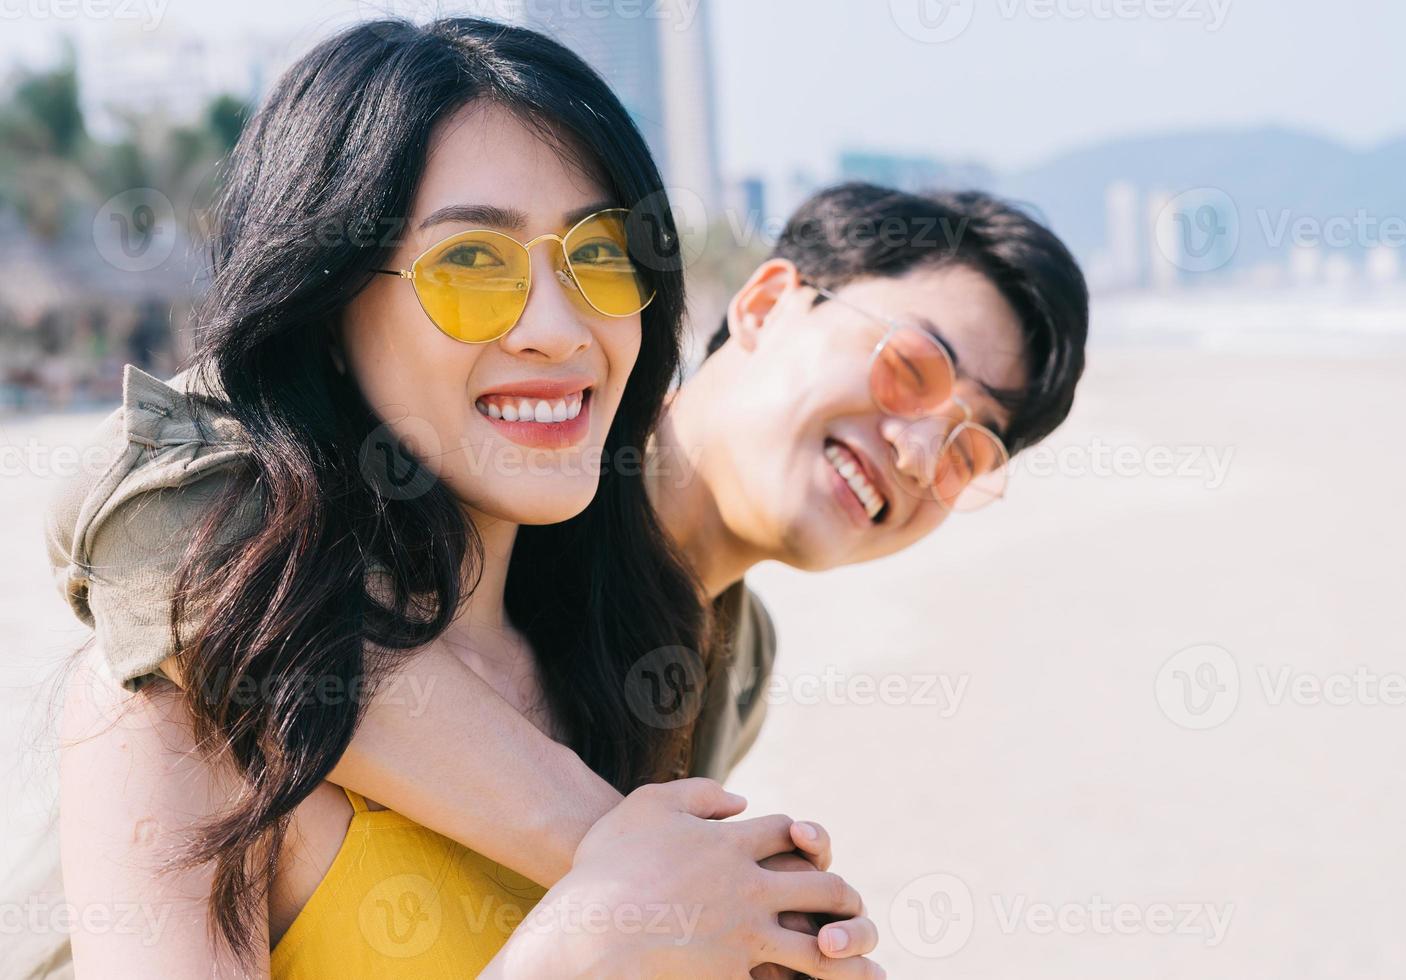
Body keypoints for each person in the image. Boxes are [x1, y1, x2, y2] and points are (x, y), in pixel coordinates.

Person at [48, 18, 879, 979]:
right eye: (473, 265)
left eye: (602, 257)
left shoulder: (627, 677)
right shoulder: (178, 711)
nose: (558, 329)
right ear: (324, 311)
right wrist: (587, 942)